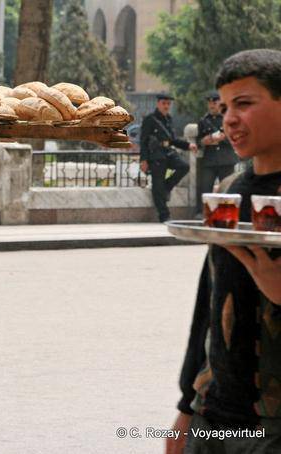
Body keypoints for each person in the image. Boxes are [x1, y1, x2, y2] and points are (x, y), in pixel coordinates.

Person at [167, 49, 281, 454]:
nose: (229, 118)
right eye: (226, 104)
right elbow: (210, 301)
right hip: (213, 416)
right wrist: (186, 406)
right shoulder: (230, 191)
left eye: (245, 104)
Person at [140, 93, 197, 222]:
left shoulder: (168, 119)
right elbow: (143, 141)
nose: (166, 106)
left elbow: (173, 140)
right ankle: (164, 215)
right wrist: (143, 160)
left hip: (168, 153)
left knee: (184, 167)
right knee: (157, 186)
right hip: (156, 156)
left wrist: (188, 145)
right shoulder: (150, 119)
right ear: (158, 104)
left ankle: (166, 187)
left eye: (168, 104)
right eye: (164, 103)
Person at [195, 90, 239, 217]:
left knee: (227, 189)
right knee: (205, 187)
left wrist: (222, 138)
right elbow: (198, 140)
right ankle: (203, 213)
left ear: (220, 103)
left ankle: (228, 214)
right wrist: (203, 141)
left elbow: (236, 138)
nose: (212, 105)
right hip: (210, 160)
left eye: (214, 102)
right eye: (209, 103)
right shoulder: (203, 121)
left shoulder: (228, 118)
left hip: (226, 159)